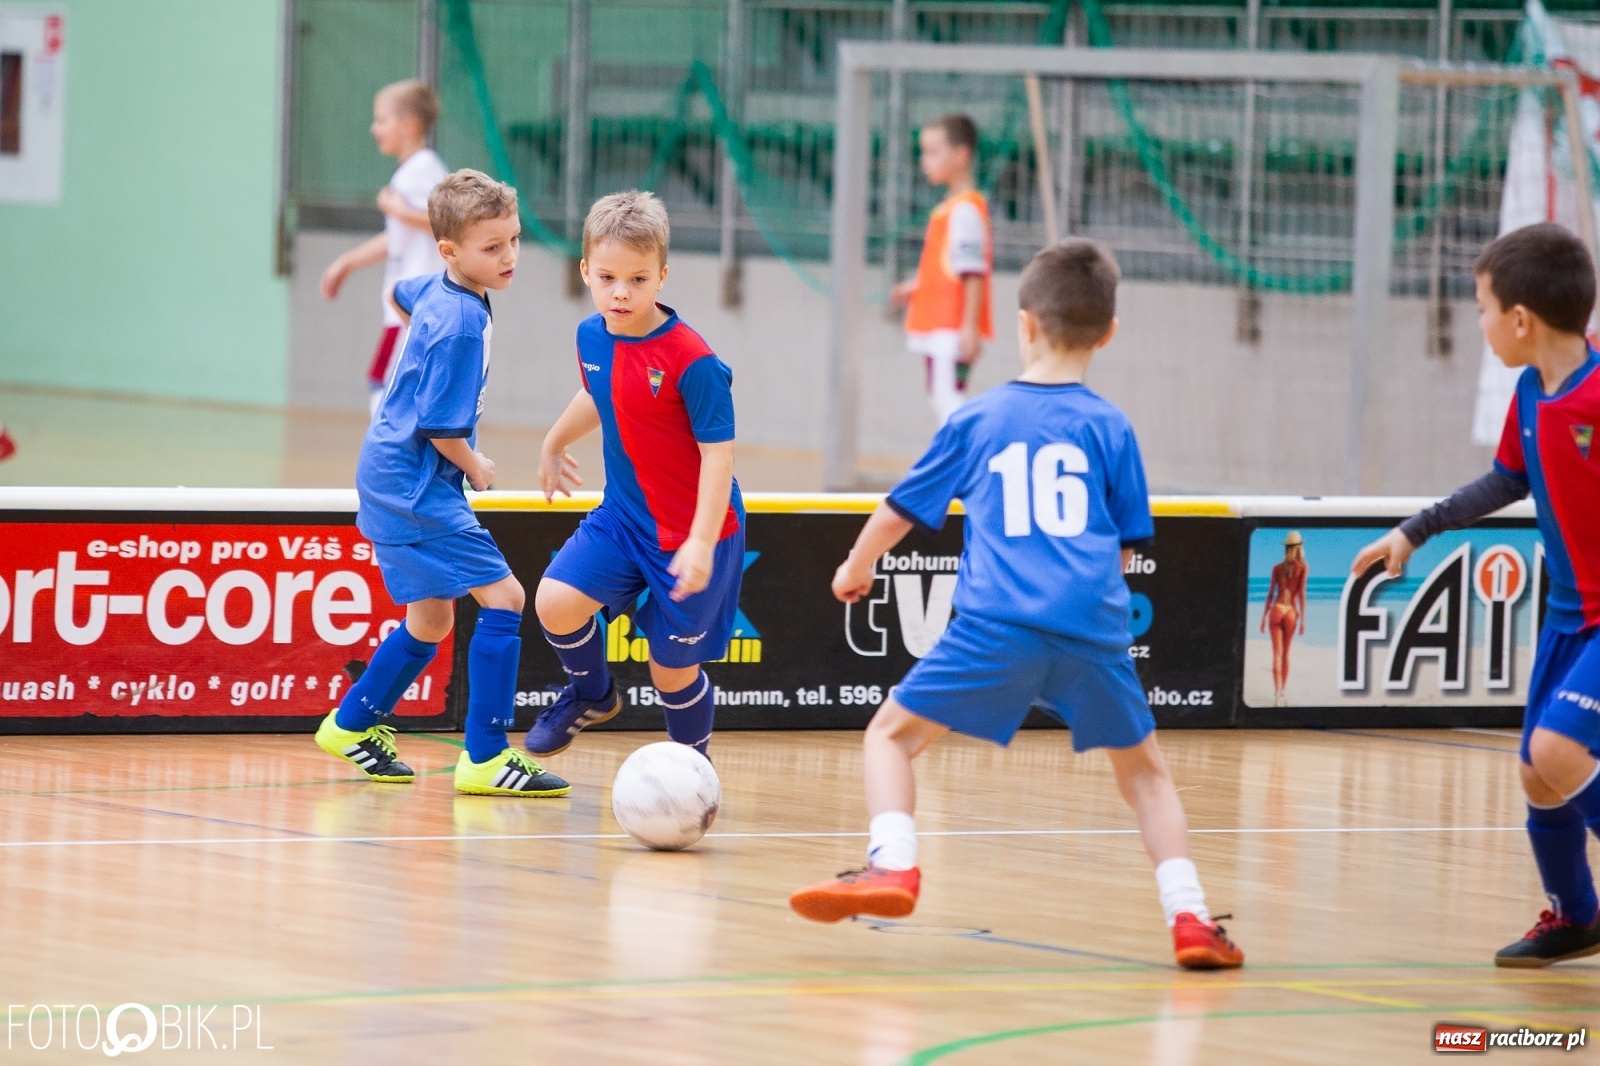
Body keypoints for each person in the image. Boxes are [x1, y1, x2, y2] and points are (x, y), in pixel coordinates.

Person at [789, 239, 1244, 971]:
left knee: (890, 737)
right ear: (1109, 333)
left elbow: (901, 508)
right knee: (1148, 779)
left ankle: (893, 863)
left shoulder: (979, 419)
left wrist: (855, 565)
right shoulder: (1111, 427)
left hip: (996, 625)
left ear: (1024, 323)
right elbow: (1128, 549)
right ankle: (1189, 917)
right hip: (1093, 631)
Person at [1353, 221, 1600, 968]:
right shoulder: (1531, 392)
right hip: (1566, 619)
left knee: (1556, 750)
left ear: (1520, 319)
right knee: (1537, 768)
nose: (1482, 323)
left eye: (1483, 308)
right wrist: (1415, 531)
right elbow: (1508, 479)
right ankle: (1577, 917)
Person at [315, 169, 569, 798]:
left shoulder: (438, 288)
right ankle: (485, 757)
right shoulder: (458, 323)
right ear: (451, 251)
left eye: (512, 241)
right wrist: (475, 464)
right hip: (417, 484)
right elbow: (437, 426)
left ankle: (350, 726)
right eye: (493, 248)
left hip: (389, 475)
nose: (509, 256)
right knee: (506, 600)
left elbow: (404, 294)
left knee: (430, 622)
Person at [524, 190, 743, 762]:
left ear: (662, 277)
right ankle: (592, 695)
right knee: (555, 602)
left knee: (670, 670)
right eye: (608, 277)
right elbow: (601, 392)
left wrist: (698, 541)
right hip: (623, 518)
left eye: (639, 280)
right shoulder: (591, 335)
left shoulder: (693, 361)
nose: (621, 292)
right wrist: (554, 441)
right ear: (585, 272)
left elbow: (720, 457)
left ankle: (694, 768)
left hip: (694, 533)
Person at [319, 80, 449, 413]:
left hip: (411, 302)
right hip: (408, 303)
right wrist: (346, 263)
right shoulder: (411, 172)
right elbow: (398, 238)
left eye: (381, 119)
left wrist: (399, 210)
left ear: (409, 125)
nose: (374, 128)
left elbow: (447, 224)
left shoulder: (422, 170)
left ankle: (390, 458)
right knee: (392, 383)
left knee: (385, 383)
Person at [890, 114, 993, 425]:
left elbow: (972, 273)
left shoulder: (964, 211)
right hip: (941, 325)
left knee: (949, 401)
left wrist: (969, 327)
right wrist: (918, 286)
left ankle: (962, 465)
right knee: (943, 396)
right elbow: (950, 267)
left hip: (951, 328)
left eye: (933, 152)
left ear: (961, 156)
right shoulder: (950, 209)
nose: (925, 161)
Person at [1261, 531, 1308, 706]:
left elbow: (1271, 594)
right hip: (1290, 612)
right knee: (1286, 654)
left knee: (1277, 654)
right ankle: (1284, 690)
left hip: (1277, 610)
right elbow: (1302, 594)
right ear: (1299, 548)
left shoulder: (1277, 568)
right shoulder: (1303, 567)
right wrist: (1303, 619)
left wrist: (1263, 617)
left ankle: (1277, 691)